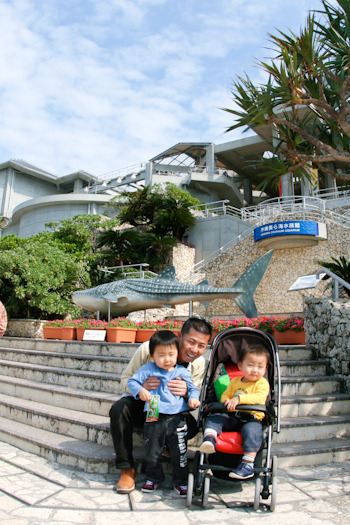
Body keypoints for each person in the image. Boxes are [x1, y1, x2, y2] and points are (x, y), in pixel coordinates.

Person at [109, 316, 212, 494]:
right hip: (148, 405)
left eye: (201, 346)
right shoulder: (150, 348)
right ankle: (127, 468)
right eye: (191, 342)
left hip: (173, 411)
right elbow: (126, 378)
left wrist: (187, 393)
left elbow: (195, 397)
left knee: (192, 424)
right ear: (180, 336)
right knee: (119, 410)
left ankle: (165, 446)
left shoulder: (198, 363)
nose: (195, 350)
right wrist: (142, 388)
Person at [127, 330, 200, 496]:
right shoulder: (148, 369)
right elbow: (132, 381)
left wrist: (193, 399)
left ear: (177, 353)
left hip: (177, 417)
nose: (167, 359)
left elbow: (192, 388)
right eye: (161, 355)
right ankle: (153, 477)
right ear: (153, 355)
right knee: (152, 451)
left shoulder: (181, 371)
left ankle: (180, 481)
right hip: (154, 412)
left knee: (180, 452)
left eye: (171, 354)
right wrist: (140, 390)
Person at [199, 344, 270, 480]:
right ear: (240, 366)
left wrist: (239, 399)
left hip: (251, 418)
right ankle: (210, 438)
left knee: (253, 431)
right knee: (216, 417)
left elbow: (259, 398)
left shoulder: (262, 383)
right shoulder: (235, 382)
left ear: (265, 369)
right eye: (250, 365)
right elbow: (226, 394)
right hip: (232, 416)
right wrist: (226, 402)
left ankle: (248, 464)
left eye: (260, 367)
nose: (255, 370)